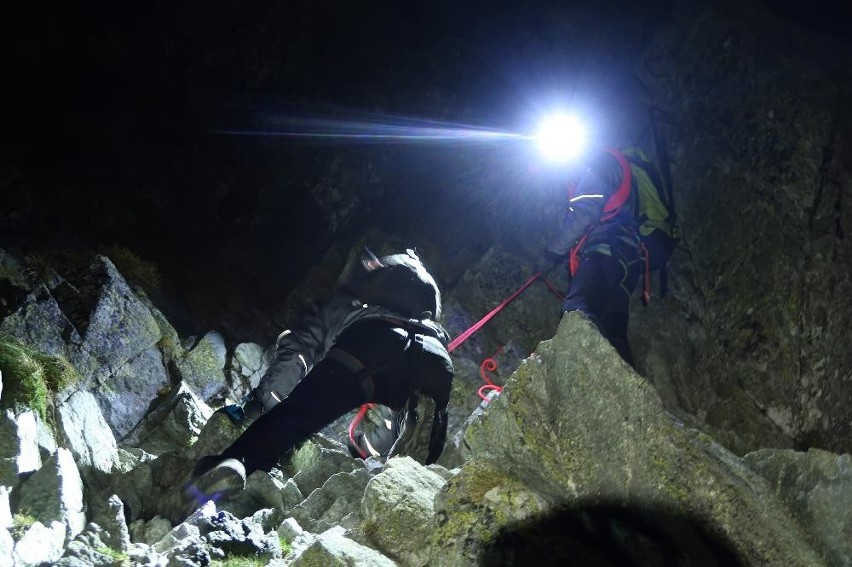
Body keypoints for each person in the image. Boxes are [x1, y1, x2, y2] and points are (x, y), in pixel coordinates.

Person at [163, 248, 454, 523]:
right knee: (423, 427)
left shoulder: (360, 299)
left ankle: (225, 469)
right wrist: (363, 451)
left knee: (293, 418)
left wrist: (261, 404)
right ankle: (400, 472)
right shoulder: (429, 312)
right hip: (434, 362)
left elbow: (301, 345)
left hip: (375, 342)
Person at [540, 148, 643, 367]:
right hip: (628, 264)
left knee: (576, 310)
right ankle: (630, 394)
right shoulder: (620, 172)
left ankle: (592, 385)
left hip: (605, 253)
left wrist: (551, 252)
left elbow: (585, 213)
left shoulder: (598, 165)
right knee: (613, 329)